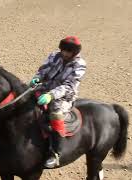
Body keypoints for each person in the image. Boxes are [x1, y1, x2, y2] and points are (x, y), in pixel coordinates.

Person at [30, 36, 86, 168]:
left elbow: (69, 86)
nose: (65, 54)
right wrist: (37, 79)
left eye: (68, 52)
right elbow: (43, 70)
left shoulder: (80, 64)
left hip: (64, 96)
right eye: (63, 50)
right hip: (45, 88)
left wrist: (51, 95)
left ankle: (55, 153)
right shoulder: (54, 56)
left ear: (75, 52)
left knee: (55, 112)